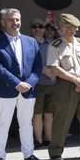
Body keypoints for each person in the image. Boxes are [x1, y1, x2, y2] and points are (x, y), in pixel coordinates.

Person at [0, 8, 42, 160]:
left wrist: (29, 83)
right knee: (2, 123)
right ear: (3, 22)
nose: (15, 23)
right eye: (11, 20)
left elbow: (38, 65)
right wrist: (16, 83)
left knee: (26, 123)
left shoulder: (30, 41)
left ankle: (28, 154)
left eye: (17, 20)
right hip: (5, 89)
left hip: (28, 90)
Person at [45, 14, 80, 160]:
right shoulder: (55, 45)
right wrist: (75, 80)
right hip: (66, 83)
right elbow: (55, 68)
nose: (68, 30)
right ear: (60, 28)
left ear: (77, 28)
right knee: (63, 118)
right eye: (65, 27)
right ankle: (56, 151)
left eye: (71, 27)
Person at [29, 19, 55, 148]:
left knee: (49, 113)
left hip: (52, 83)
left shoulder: (52, 44)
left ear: (45, 29)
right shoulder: (27, 43)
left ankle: (48, 139)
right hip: (36, 83)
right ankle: (38, 140)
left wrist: (53, 72)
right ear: (30, 29)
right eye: (35, 26)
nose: (38, 29)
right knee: (37, 113)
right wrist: (45, 71)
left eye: (41, 27)